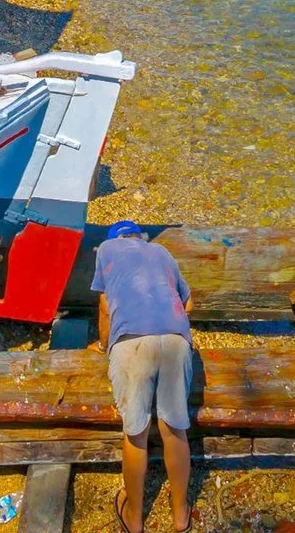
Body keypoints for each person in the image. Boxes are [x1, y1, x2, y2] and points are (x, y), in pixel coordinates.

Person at [91, 222, 193, 533]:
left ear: (115, 239)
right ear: (140, 237)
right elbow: (188, 302)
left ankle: (134, 517)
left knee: (136, 432)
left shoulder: (106, 250)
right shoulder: (162, 251)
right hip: (176, 339)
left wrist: (102, 343)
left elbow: (106, 307)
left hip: (132, 342)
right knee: (175, 429)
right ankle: (180, 515)